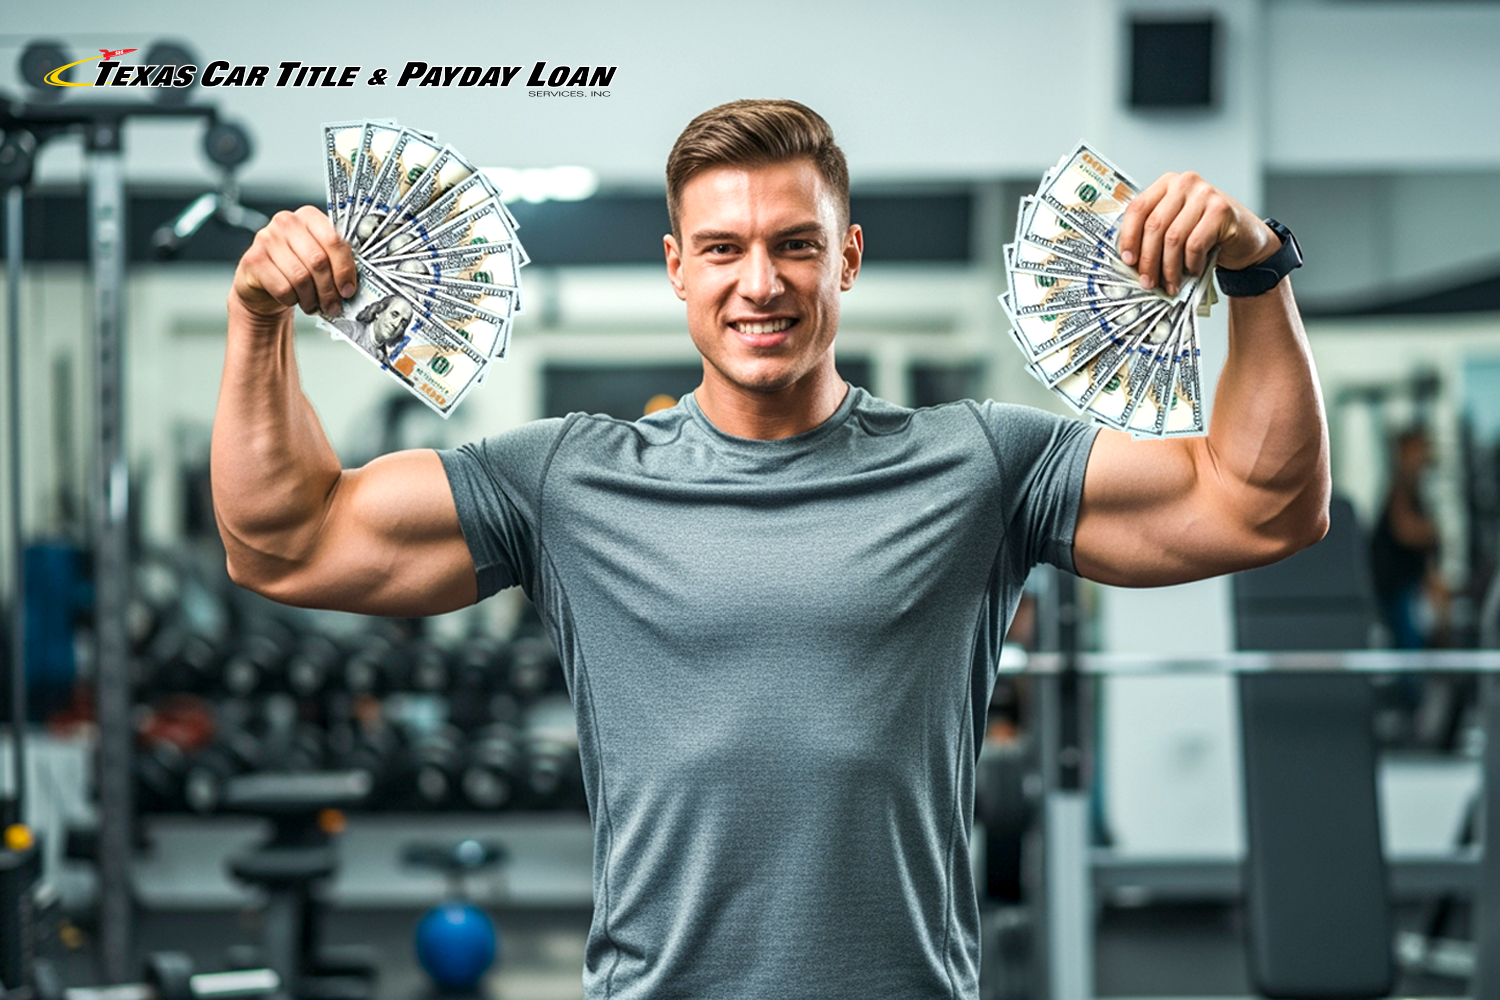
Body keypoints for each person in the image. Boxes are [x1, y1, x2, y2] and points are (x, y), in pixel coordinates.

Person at [212, 100, 1329, 998]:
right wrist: (259, 317)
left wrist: (1257, 268)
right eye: (724, 248)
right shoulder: (568, 480)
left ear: (845, 258)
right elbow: (287, 540)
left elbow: (1260, 505)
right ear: (677, 268)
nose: (761, 281)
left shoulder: (982, 465)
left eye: (795, 245)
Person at [1370, 426, 1448, 648]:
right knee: (1408, 650)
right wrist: (1432, 532)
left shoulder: (1415, 488)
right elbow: (1404, 530)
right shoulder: (1400, 488)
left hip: (1409, 587)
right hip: (1397, 587)